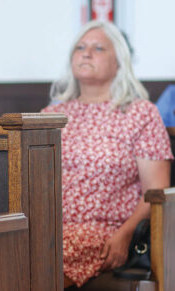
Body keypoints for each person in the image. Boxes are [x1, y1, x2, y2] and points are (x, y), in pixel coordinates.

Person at [42, 21, 172, 288]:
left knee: (39, 256)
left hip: (105, 230)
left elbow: (156, 192)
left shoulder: (140, 113)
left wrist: (126, 233)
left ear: (120, 62)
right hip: (49, 227)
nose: (86, 53)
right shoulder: (50, 116)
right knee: (6, 246)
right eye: (80, 47)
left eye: (98, 48)